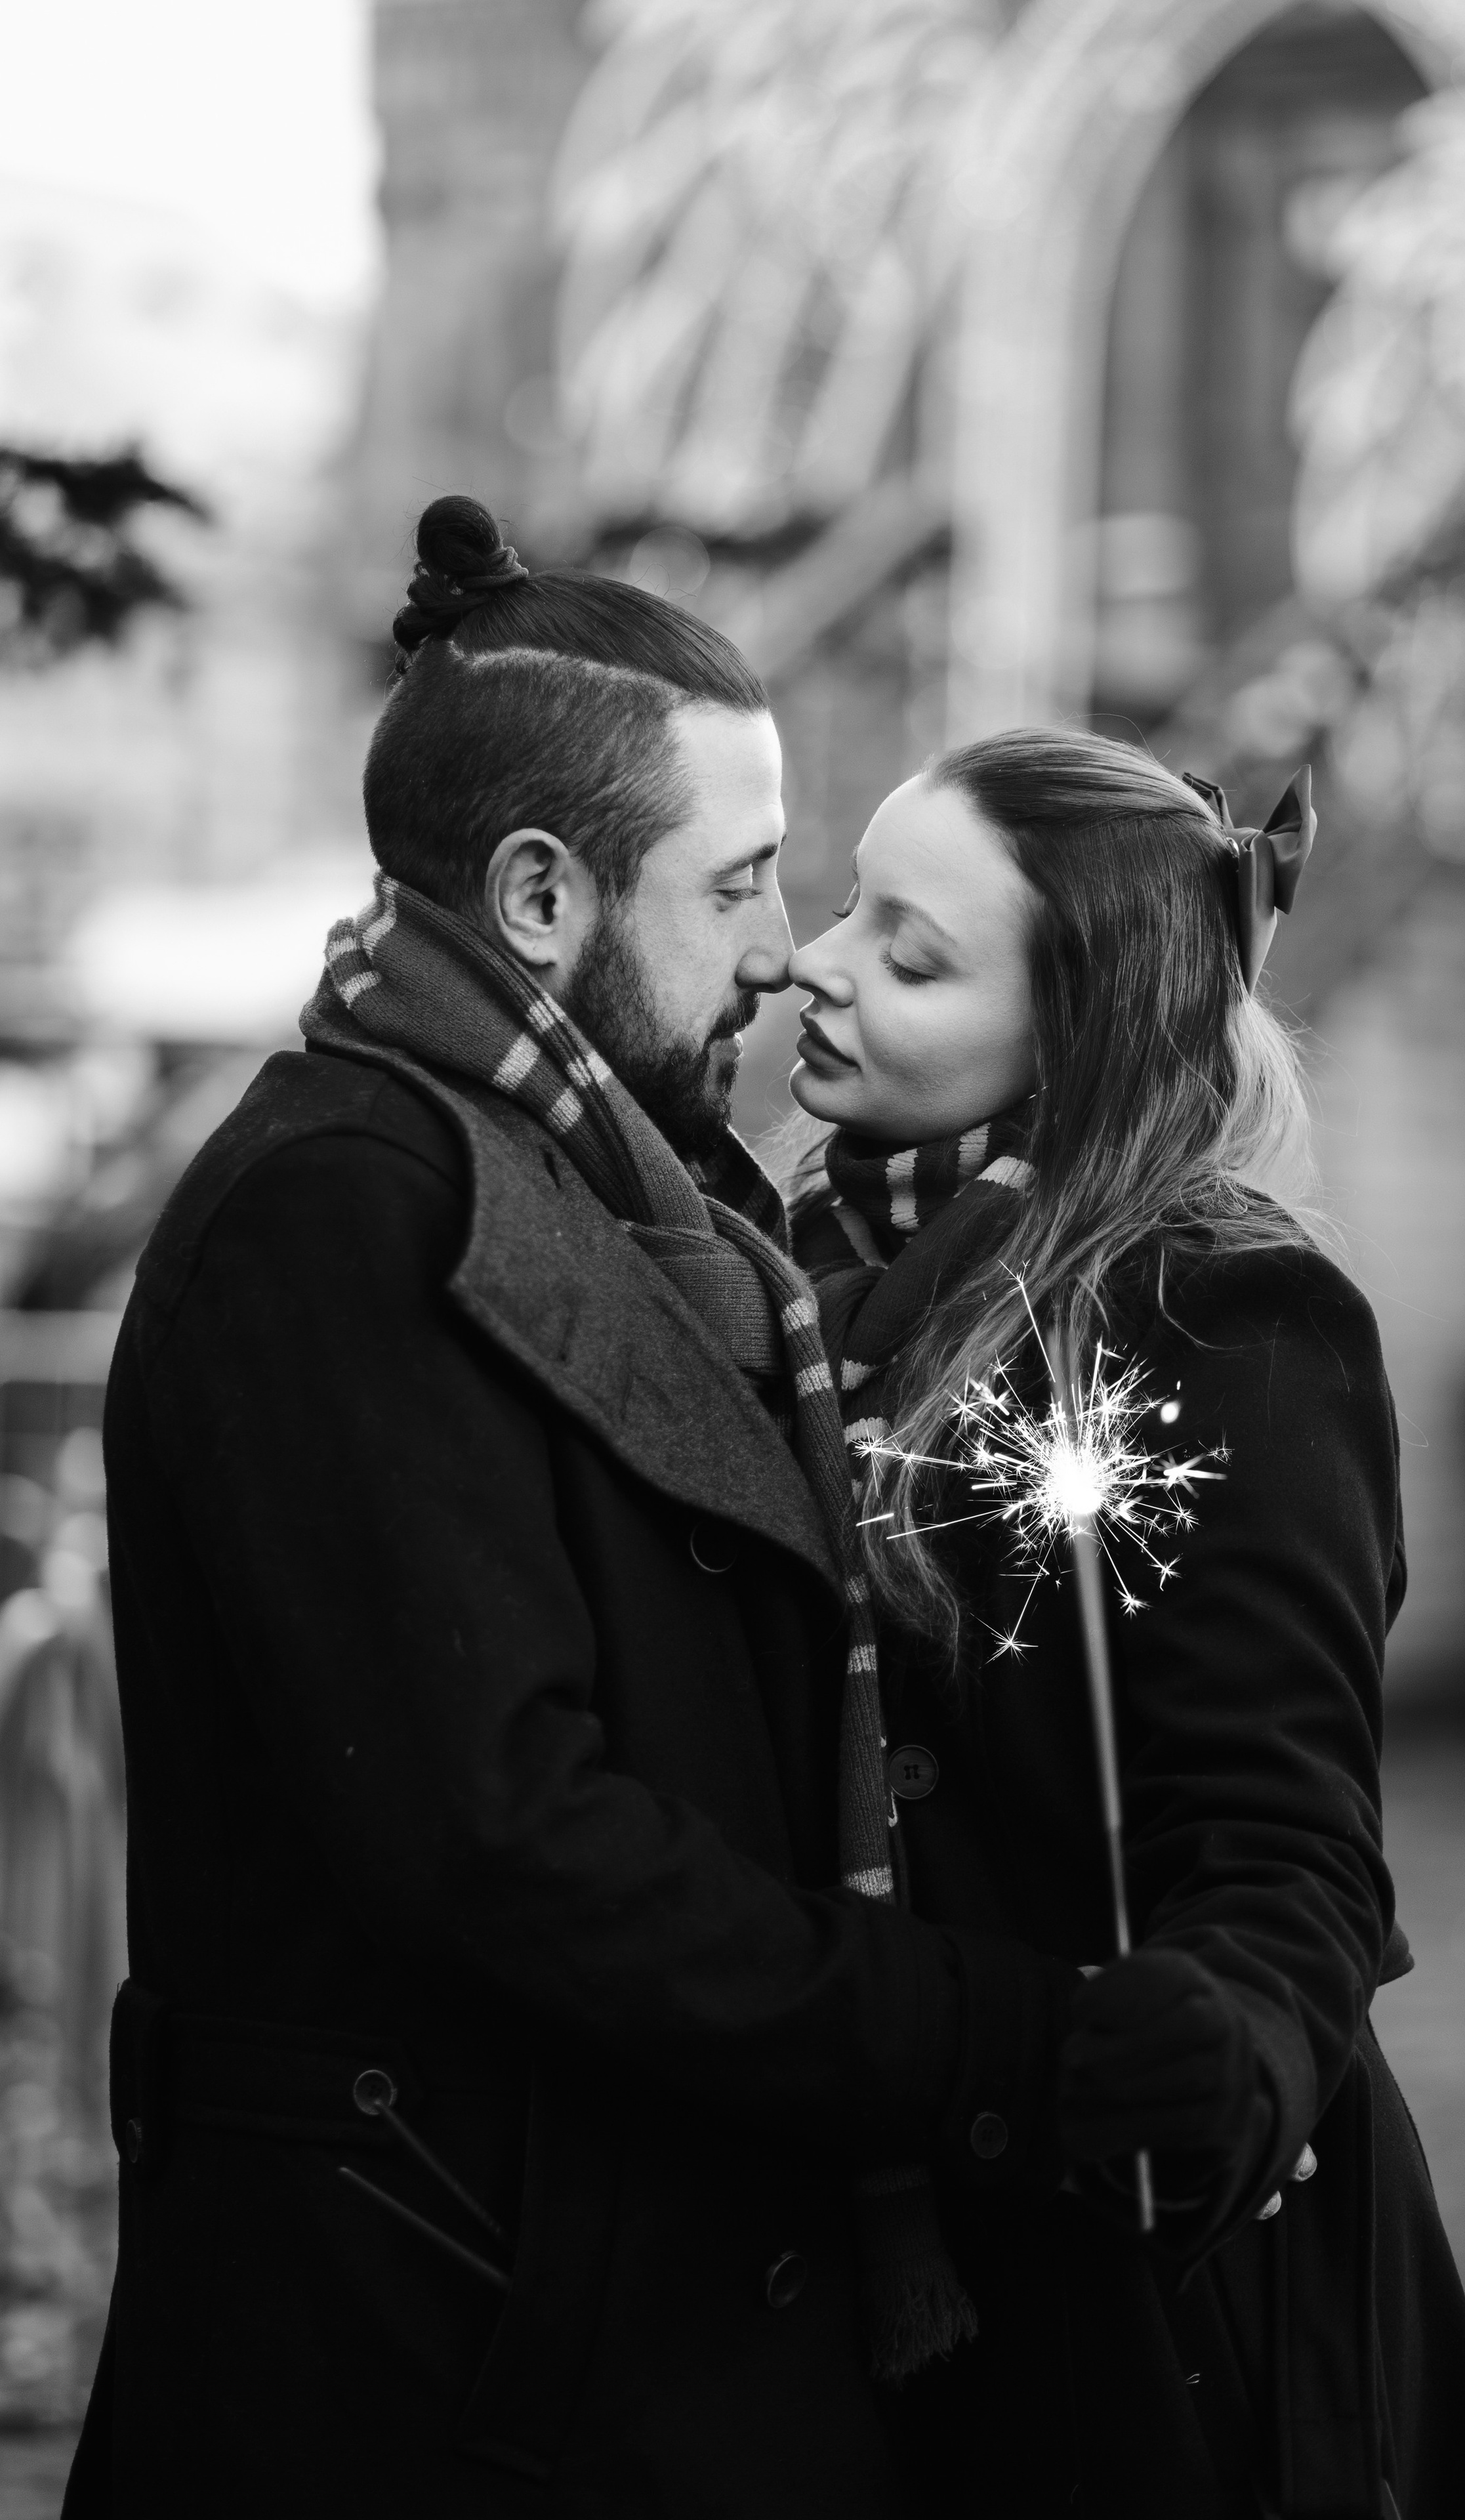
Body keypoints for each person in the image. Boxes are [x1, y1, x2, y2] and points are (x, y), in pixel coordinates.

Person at [64, 499, 1109, 2518]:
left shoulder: (637, 1198)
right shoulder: (342, 1215)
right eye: (735, 883)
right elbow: (511, 1836)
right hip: (437, 2358)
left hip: (601, 2310)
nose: (779, 946)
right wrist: (991, 2036)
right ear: (540, 897)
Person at [785, 728, 1465, 2520]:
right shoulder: (791, 1282)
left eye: (909, 950)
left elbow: (1291, 1837)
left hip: (1162, 2284)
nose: (818, 959)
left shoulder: (1220, 1313)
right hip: (896, 2229)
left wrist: (1223, 2036)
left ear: (1075, 1035)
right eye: (844, 906)